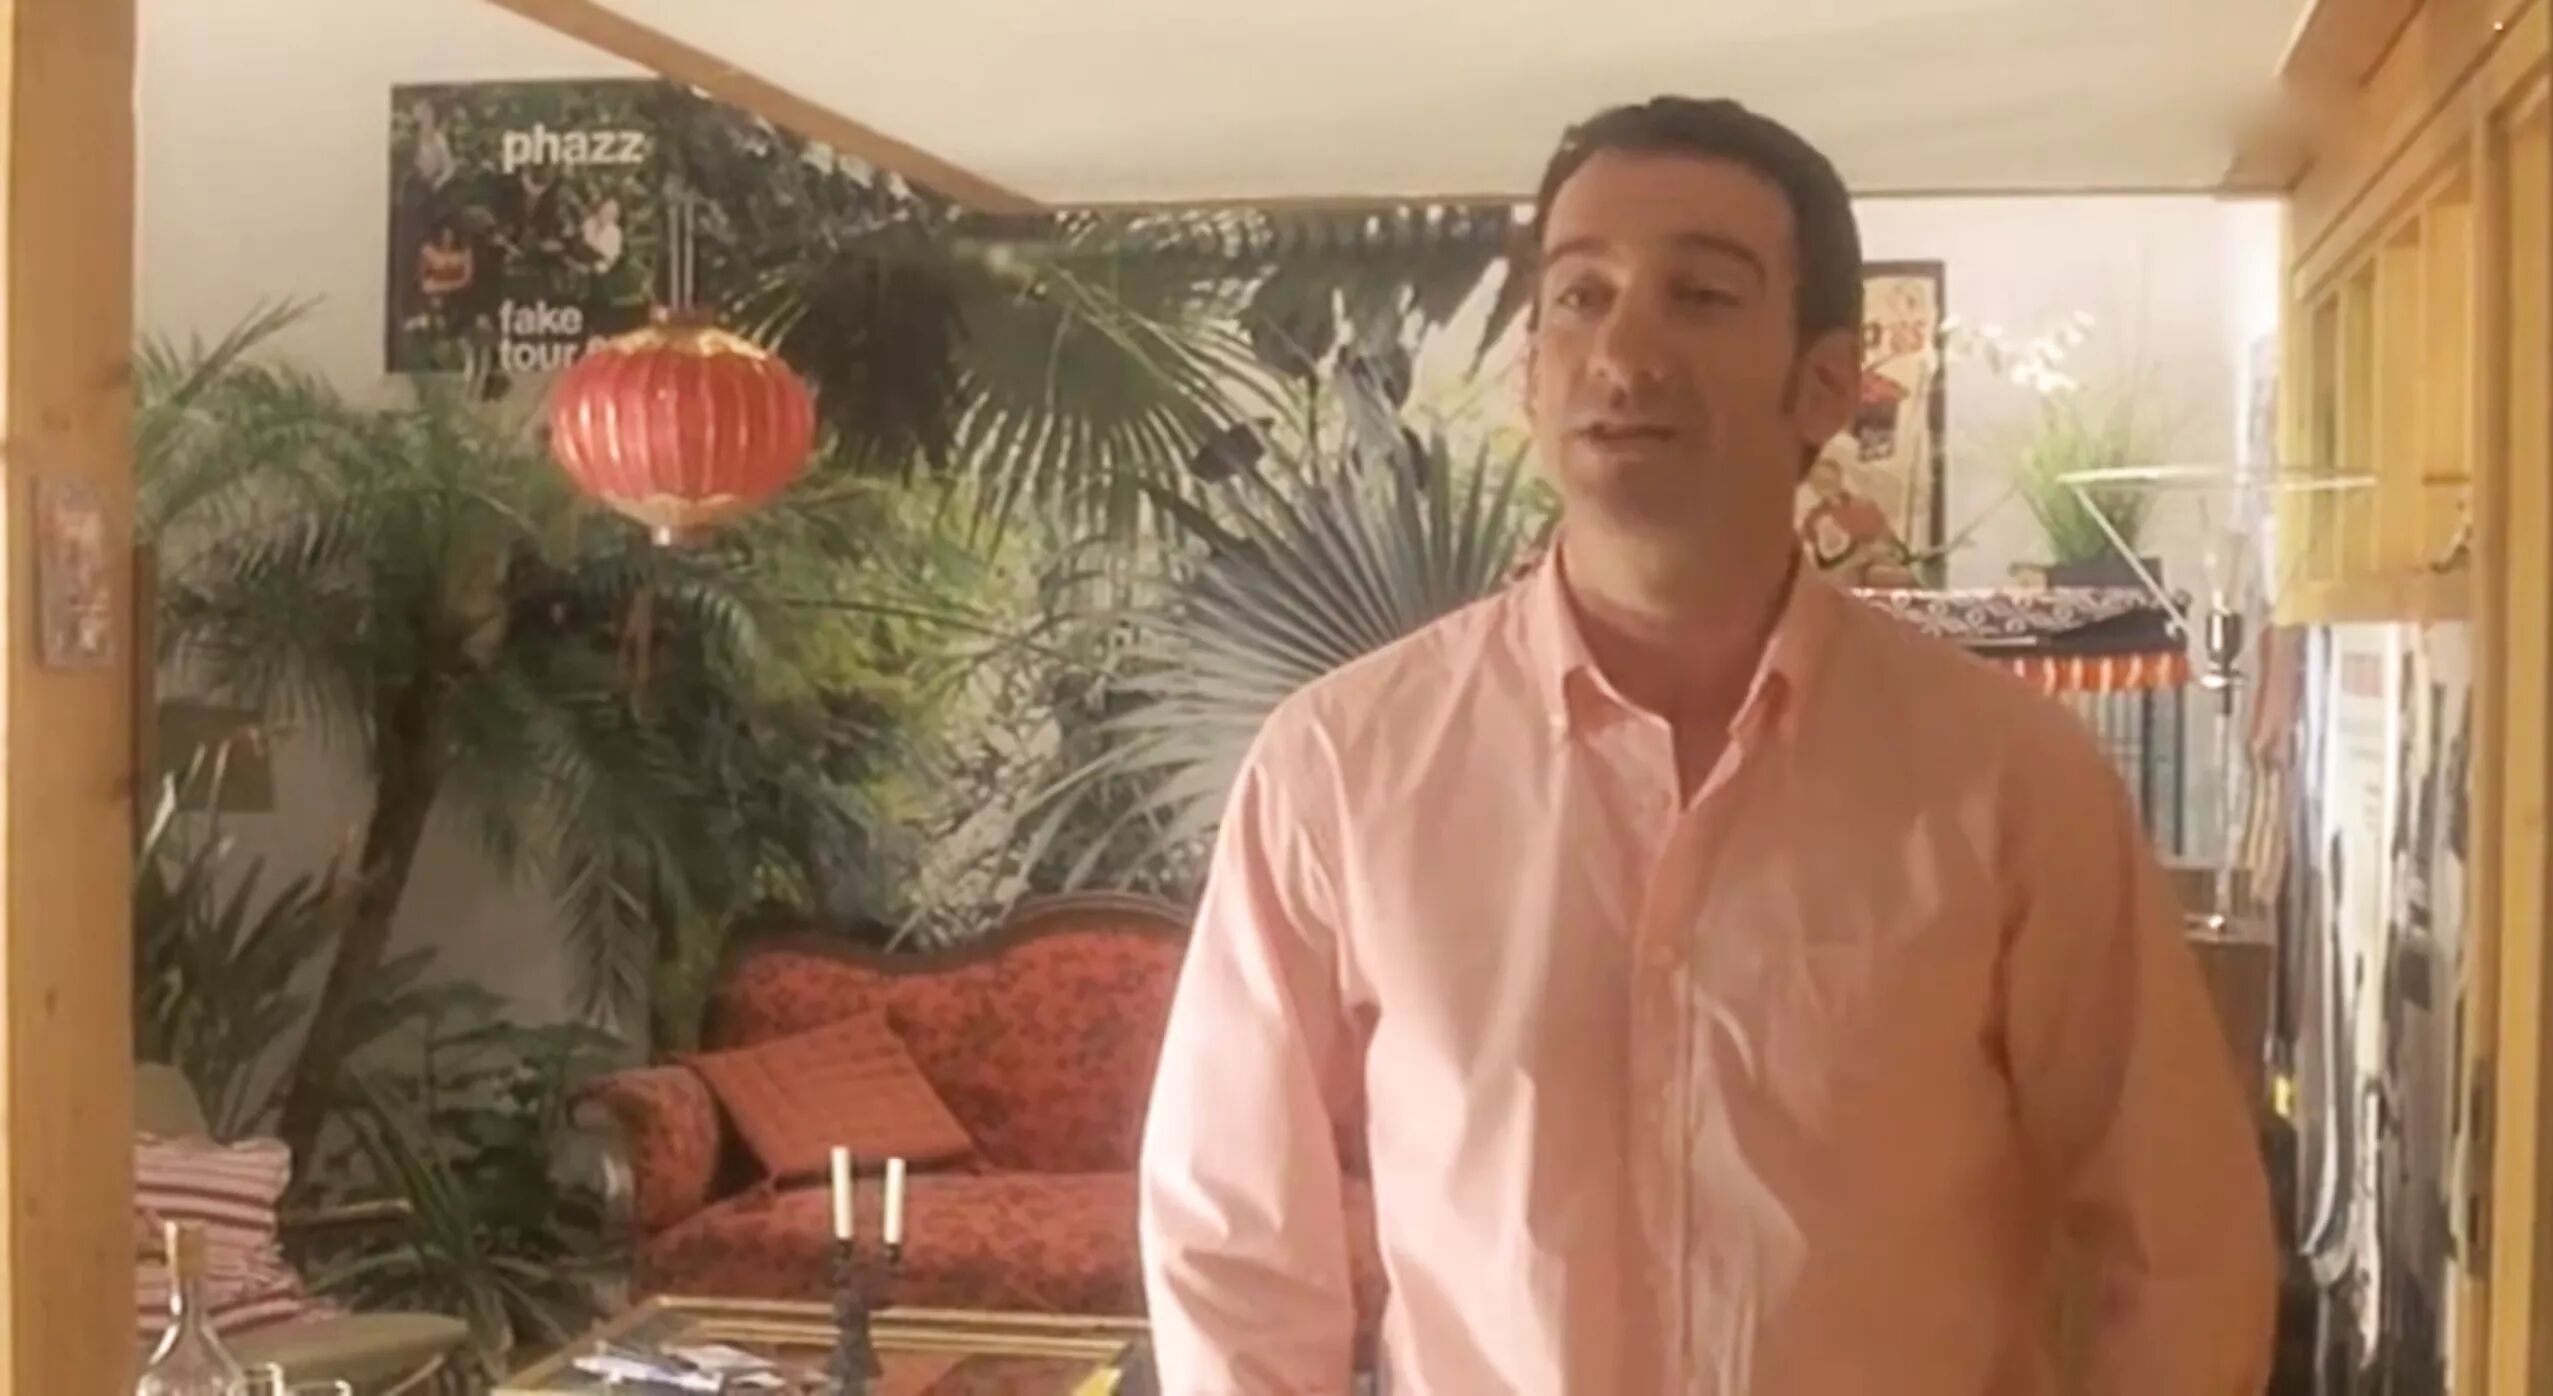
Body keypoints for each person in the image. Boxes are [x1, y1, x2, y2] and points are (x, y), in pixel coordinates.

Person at [1137, 95, 2277, 1394]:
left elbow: (2178, 1243)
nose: (1624, 353)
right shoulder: (1340, 770)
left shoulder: (2009, 782)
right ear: (1529, 375)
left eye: (1701, 296)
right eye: (1580, 296)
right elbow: (1232, 1242)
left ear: (1827, 383)